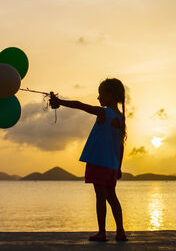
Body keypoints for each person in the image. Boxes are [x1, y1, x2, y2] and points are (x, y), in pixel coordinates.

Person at [49, 78, 128, 242]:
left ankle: (102, 232)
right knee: (112, 197)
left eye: (100, 94)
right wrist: (118, 167)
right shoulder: (120, 118)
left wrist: (59, 101)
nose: (98, 98)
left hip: (98, 163)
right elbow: (120, 147)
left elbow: (79, 105)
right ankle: (120, 232)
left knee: (101, 198)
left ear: (110, 95)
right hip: (111, 166)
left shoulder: (104, 113)